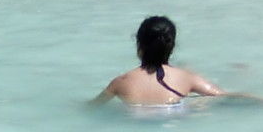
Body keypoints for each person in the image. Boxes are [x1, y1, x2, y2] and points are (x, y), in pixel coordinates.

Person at [94, 16, 227, 107]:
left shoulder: (121, 82)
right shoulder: (187, 78)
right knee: (199, 103)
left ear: (139, 46)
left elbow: (92, 107)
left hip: (134, 129)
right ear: (172, 47)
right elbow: (225, 97)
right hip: (176, 123)